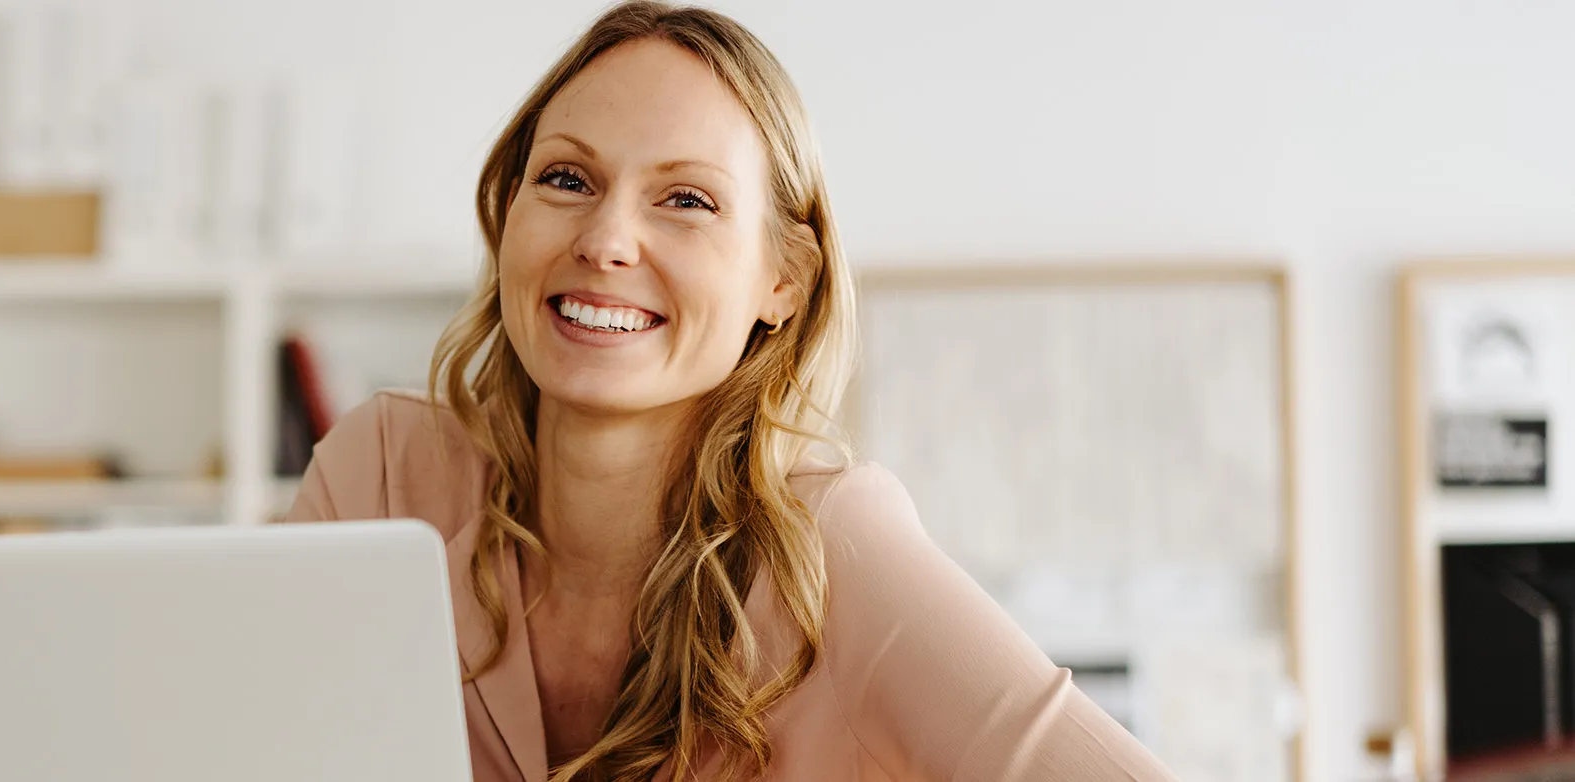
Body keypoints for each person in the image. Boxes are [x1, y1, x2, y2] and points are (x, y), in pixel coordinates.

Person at [283, 3, 1174, 779]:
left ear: (783, 282)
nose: (606, 240)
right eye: (566, 178)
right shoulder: (381, 478)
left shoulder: (835, 558)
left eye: (687, 200)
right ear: (507, 211)